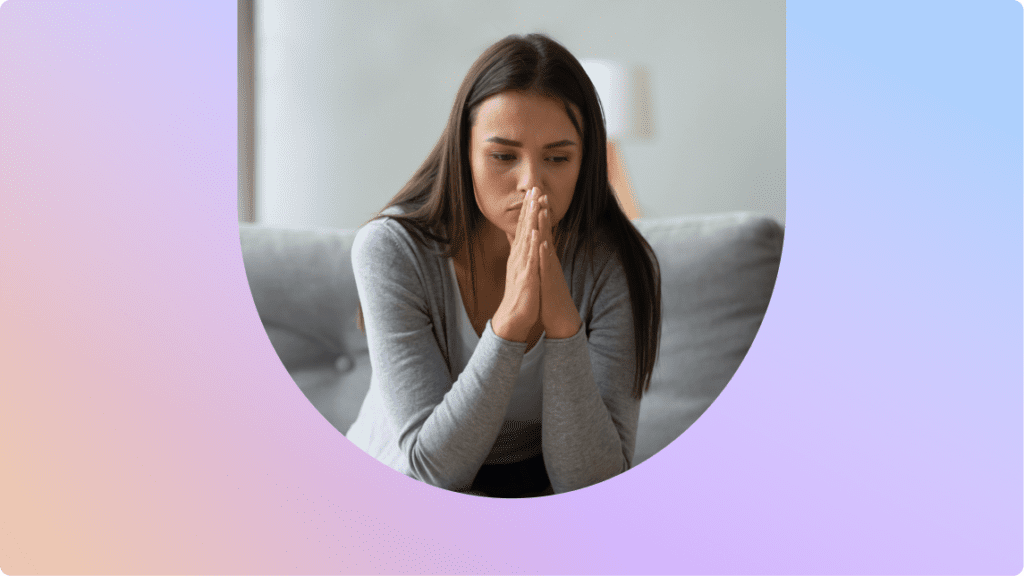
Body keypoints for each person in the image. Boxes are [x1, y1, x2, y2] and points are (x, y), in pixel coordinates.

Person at [346, 33, 661, 497]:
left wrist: (563, 325)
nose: (532, 183)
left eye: (558, 157)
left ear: (587, 160)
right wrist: (510, 323)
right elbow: (433, 471)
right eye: (503, 156)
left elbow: (592, 483)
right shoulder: (390, 250)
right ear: (464, 153)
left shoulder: (618, 264)